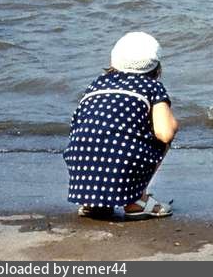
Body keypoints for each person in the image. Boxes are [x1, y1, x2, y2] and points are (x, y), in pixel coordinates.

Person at [64, 31, 179, 220]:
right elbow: (165, 133)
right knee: (161, 138)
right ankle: (136, 202)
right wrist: (174, 123)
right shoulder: (151, 87)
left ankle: (93, 202)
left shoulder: (97, 84)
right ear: (156, 65)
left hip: (80, 171)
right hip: (120, 164)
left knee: (102, 137)